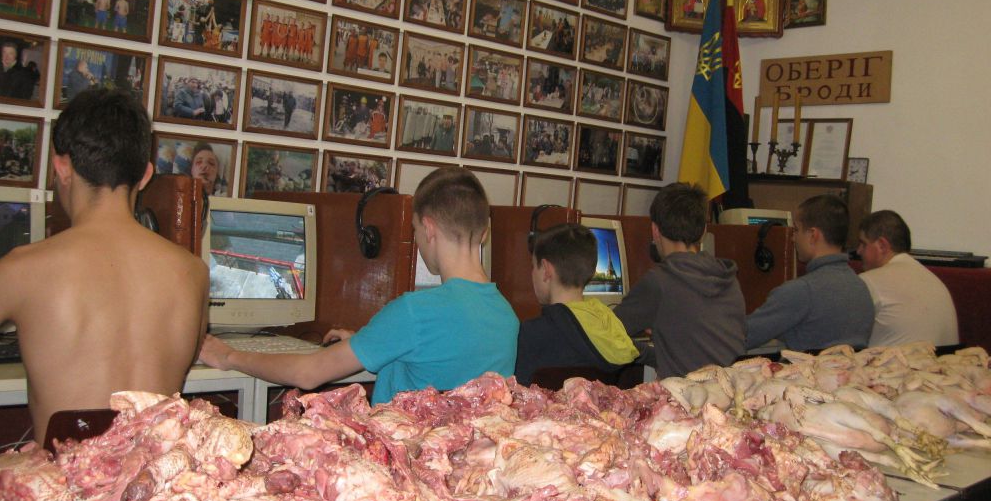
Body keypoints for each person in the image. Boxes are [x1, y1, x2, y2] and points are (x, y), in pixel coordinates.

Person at [0, 89, 208, 446]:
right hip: (161, 475)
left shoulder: (19, 271)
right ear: (145, 175)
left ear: (62, 168)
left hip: (68, 476)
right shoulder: (193, 272)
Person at [199, 167, 519, 403]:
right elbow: (440, 359)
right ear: (485, 233)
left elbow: (307, 374)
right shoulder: (506, 316)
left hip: (399, 460)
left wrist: (229, 356)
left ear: (429, 229)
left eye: (415, 231)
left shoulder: (414, 312)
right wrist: (368, 343)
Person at [614, 183, 746, 379]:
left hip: (686, 395)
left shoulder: (659, 281)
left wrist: (646, 353)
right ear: (704, 231)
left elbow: (606, 335)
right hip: (730, 391)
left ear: (655, 230)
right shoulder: (728, 278)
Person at [514, 223, 639, 386]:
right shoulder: (612, 329)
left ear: (545, 270)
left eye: (533, 267)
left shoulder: (529, 335)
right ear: (591, 272)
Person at [746, 194, 874, 351]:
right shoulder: (861, 287)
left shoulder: (800, 291)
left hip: (808, 367)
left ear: (813, 235)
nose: (793, 238)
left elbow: (741, 337)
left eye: (796, 230)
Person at [857, 210, 959, 347]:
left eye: (863, 244)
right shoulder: (936, 281)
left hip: (899, 361)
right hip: (942, 360)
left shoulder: (869, 281)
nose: (858, 251)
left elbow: (844, 336)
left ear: (882, 245)